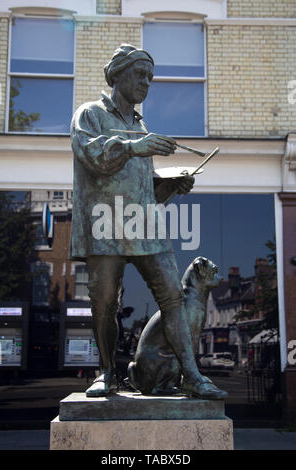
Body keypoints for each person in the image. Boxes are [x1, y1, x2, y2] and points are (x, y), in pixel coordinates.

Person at [70, 44, 227, 399]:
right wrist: (134, 146)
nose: (146, 83)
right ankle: (107, 373)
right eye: (140, 75)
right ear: (118, 75)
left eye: (150, 78)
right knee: (106, 300)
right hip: (105, 222)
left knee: (173, 296)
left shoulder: (141, 126)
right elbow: (93, 154)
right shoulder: (90, 113)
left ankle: (191, 374)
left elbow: (143, 188)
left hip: (144, 222)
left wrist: (171, 185)